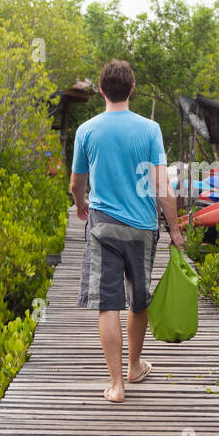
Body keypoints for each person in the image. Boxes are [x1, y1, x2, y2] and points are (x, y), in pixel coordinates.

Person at [70, 59, 185, 402]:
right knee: (138, 300)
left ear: (102, 91)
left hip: (103, 226)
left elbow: (77, 182)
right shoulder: (150, 129)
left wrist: (80, 204)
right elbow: (162, 184)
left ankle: (117, 384)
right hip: (142, 228)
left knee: (108, 304)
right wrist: (175, 230)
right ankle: (135, 367)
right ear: (132, 89)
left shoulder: (86, 130)